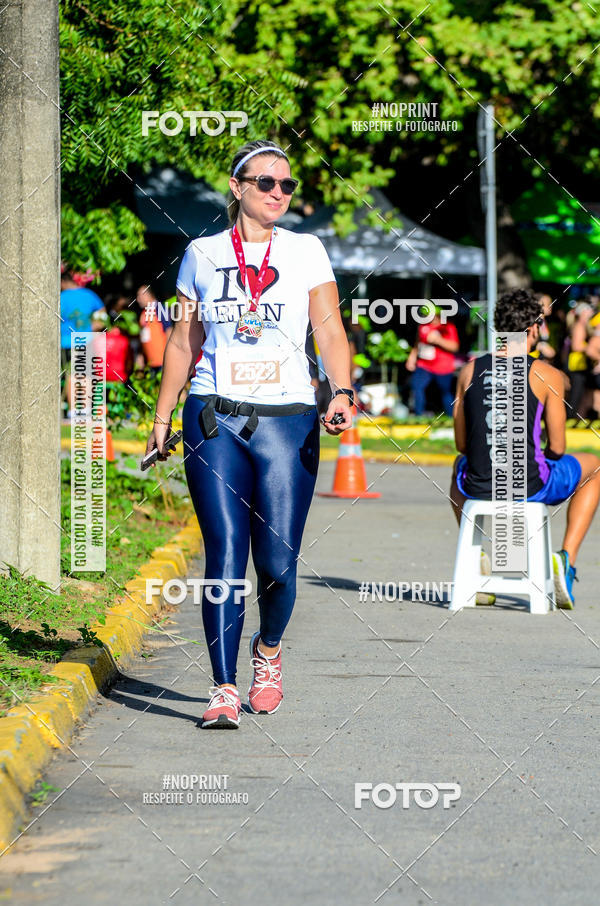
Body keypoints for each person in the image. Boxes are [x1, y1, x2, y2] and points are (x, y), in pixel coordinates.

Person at [144, 139, 353, 728]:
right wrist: (162, 421)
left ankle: (268, 651)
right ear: (237, 188)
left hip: (287, 419)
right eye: (266, 183)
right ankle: (223, 686)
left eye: (287, 185)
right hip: (215, 415)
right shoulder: (202, 254)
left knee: (279, 563)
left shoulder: (307, 250)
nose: (279, 194)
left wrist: (340, 390)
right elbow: (184, 342)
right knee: (225, 556)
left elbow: (330, 331)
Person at [450, 289, 600, 609]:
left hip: (477, 486)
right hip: (529, 485)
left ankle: (478, 556)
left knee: (457, 467)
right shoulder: (547, 375)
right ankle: (566, 561)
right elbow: (558, 448)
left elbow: (462, 445)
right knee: (595, 466)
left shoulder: (468, 371)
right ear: (534, 328)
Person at [60, 266, 105, 414]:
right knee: (86, 374)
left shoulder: (60, 297)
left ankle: (73, 409)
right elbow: (102, 316)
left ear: (62, 281)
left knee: (71, 374)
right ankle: (85, 407)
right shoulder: (89, 295)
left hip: (66, 342)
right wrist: (92, 327)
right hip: (86, 339)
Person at [405, 306, 459, 416]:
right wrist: (412, 358)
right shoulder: (423, 327)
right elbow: (418, 344)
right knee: (417, 386)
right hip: (424, 365)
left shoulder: (448, 327)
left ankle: (452, 417)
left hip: (443, 366)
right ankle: (418, 416)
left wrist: (438, 340)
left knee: (446, 392)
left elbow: (454, 347)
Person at [137, 283, 171, 374]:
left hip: (163, 363)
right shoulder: (143, 314)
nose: (138, 299)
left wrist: (169, 359)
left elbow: (169, 332)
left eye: (141, 295)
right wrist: (141, 357)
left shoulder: (160, 309)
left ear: (149, 294)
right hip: (150, 364)